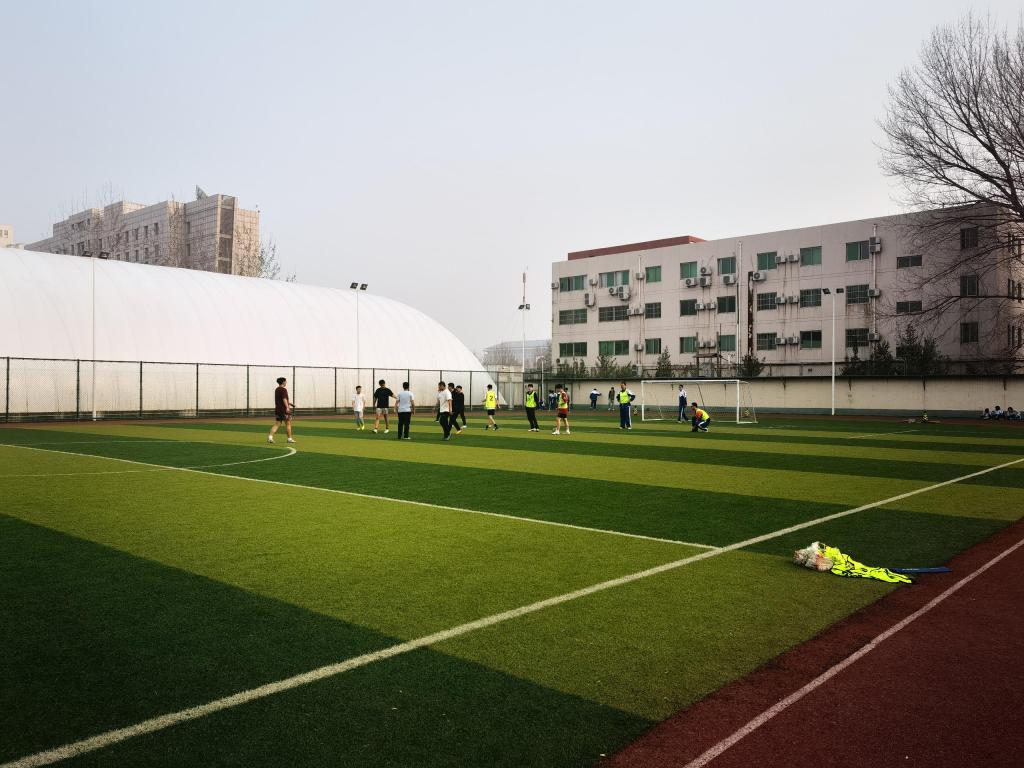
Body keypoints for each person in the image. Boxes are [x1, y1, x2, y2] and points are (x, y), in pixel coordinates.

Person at [268, 376, 296, 443]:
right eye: (285, 381)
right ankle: (289, 439)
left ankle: (270, 437)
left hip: (278, 409)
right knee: (288, 424)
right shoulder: (284, 389)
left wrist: (290, 404)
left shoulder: (277, 389)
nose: (286, 382)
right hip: (284, 410)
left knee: (277, 424)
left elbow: (281, 399)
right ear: (283, 382)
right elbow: (284, 399)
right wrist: (287, 407)